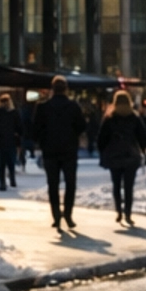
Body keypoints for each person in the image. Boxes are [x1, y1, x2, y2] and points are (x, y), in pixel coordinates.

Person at [33, 77, 88, 233]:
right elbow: (82, 126)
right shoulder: (73, 107)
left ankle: (56, 215)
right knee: (70, 183)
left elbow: (35, 129)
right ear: (66, 89)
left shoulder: (43, 107)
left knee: (53, 184)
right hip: (69, 150)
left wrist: (42, 140)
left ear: (52, 89)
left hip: (50, 150)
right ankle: (68, 214)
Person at [97, 90, 146, 226]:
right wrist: (143, 150)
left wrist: (103, 152)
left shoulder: (110, 118)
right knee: (128, 186)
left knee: (116, 185)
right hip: (130, 156)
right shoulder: (134, 117)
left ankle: (118, 211)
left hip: (114, 156)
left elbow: (101, 138)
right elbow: (143, 136)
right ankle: (128, 213)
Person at [0, 90, 20, 192]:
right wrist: (18, 136)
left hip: (0, 141)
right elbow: (20, 127)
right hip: (11, 141)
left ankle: (2, 183)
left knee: (1, 164)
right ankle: (12, 179)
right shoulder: (14, 113)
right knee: (11, 162)